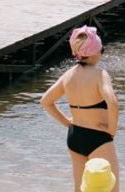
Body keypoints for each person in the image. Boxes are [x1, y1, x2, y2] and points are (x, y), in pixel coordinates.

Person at [41, 26, 120, 192]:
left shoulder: (68, 75)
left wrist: (67, 123)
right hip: (98, 138)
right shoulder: (100, 74)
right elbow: (112, 103)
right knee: (111, 188)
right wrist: (111, 131)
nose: (102, 53)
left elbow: (46, 101)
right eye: (101, 49)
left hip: (75, 137)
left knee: (80, 189)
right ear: (94, 53)